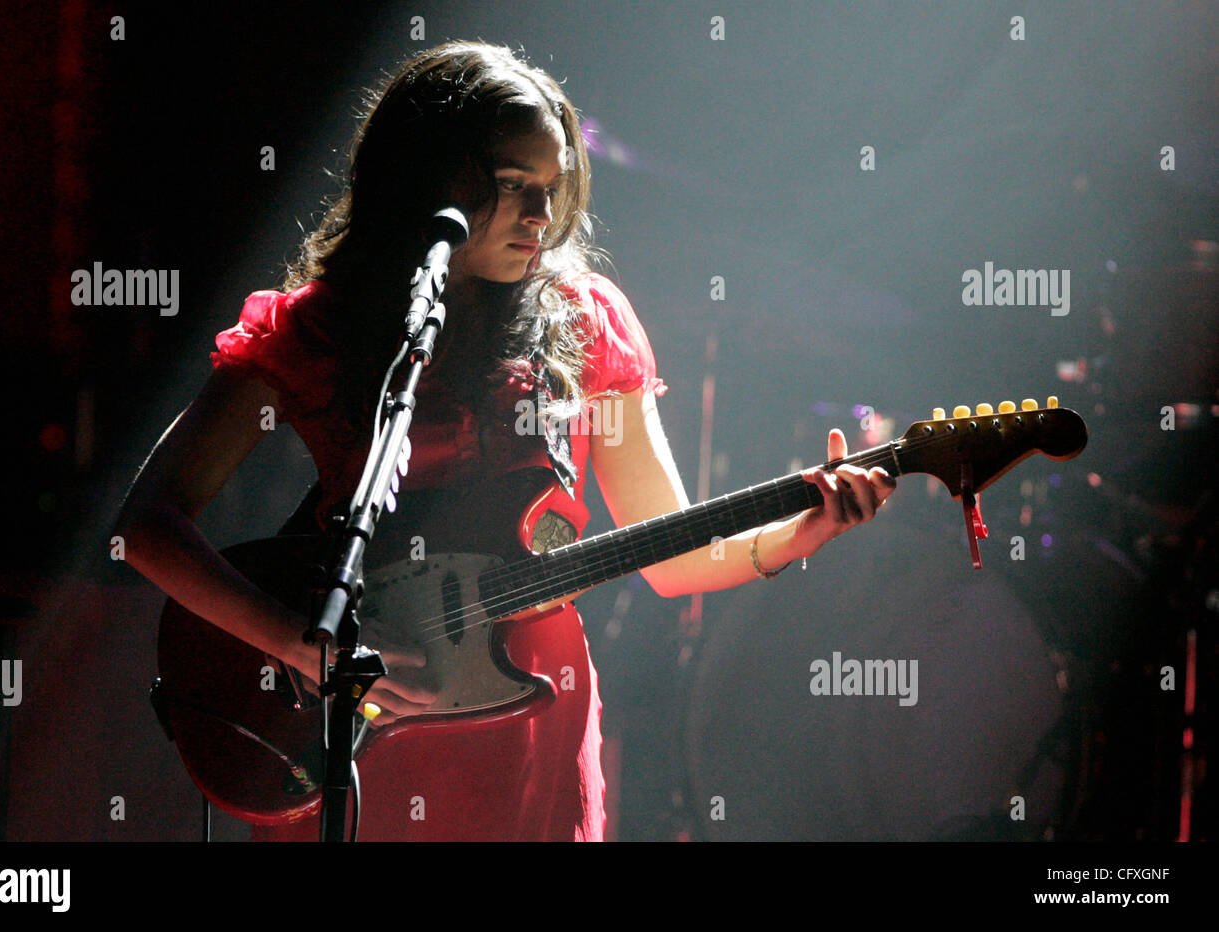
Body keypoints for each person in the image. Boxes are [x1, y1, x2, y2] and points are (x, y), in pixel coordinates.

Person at [113, 40, 897, 842]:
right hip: (367, 734)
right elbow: (146, 526)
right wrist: (296, 642)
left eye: (552, 191)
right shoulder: (319, 330)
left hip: (535, 736)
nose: (540, 218)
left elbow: (669, 558)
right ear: (422, 178)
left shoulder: (587, 324)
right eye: (512, 184)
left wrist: (803, 530)